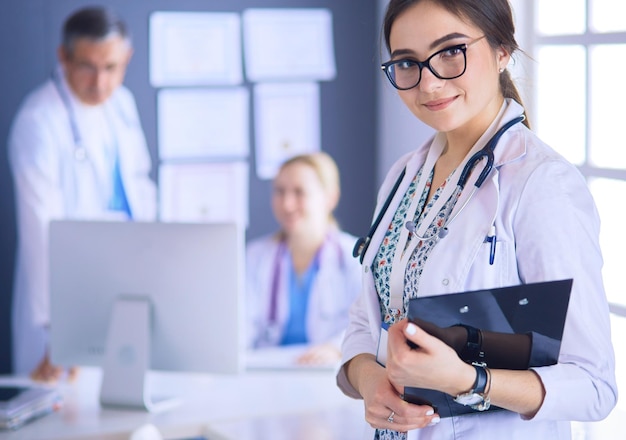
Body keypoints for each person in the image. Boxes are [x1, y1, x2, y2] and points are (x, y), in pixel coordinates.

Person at [337, 1, 618, 439]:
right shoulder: (402, 178)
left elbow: (593, 386)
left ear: (503, 49)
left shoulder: (542, 185)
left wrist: (469, 380)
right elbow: (366, 321)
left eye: (451, 51)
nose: (428, 83)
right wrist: (370, 381)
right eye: (407, 62)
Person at [8, 6, 156, 382]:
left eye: (111, 67)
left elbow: (140, 187)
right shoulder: (38, 121)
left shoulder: (122, 105)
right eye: (88, 66)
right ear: (63, 56)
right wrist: (58, 331)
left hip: (124, 286)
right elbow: (41, 232)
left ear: (128, 58)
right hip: (65, 299)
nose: (100, 82)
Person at [246, 152, 361, 365]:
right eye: (280, 192)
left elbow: (369, 324)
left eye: (299, 192)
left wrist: (336, 347)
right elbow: (240, 327)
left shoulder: (355, 258)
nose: (287, 204)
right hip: (266, 372)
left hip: (327, 374)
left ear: (330, 198)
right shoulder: (254, 257)